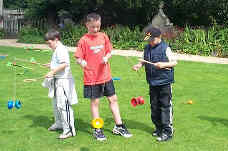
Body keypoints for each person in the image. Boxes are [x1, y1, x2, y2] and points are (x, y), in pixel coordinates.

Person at [74, 13, 132, 141]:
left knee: (113, 100)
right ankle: (97, 129)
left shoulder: (103, 36)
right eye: (93, 27)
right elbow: (78, 57)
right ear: (87, 25)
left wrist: (107, 57)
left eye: (98, 26)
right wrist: (82, 62)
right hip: (92, 78)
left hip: (106, 76)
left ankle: (119, 126)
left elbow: (109, 51)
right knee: (95, 103)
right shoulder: (83, 40)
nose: (95, 29)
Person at [132, 27, 177, 142]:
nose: (149, 42)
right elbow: (143, 60)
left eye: (152, 39)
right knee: (154, 106)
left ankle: (168, 131)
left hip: (164, 82)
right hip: (152, 82)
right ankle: (159, 128)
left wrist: (163, 64)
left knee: (165, 106)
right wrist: (138, 65)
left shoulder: (165, 48)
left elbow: (174, 62)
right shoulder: (147, 48)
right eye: (148, 39)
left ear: (159, 38)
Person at [43, 29, 78, 139]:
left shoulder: (61, 49)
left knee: (64, 106)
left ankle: (69, 130)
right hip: (57, 81)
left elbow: (64, 64)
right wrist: (51, 65)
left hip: (63, 82)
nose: (49, 46)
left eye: (49, 43)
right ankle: (59, 123)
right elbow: (58, 63)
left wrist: (52, 72)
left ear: (56, 39)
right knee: (56, 104)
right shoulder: (56, 49)